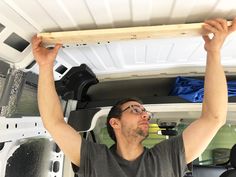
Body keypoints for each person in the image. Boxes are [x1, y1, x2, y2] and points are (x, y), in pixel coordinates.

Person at [32, 18, 236, 177]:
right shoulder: (95, 158)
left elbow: (214, 118)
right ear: (115, 123)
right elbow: (55, 122)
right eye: (137, 110)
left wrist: (214, 51)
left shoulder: (169, 157)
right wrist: (45, 66)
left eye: (142, 111)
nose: (145, 116)